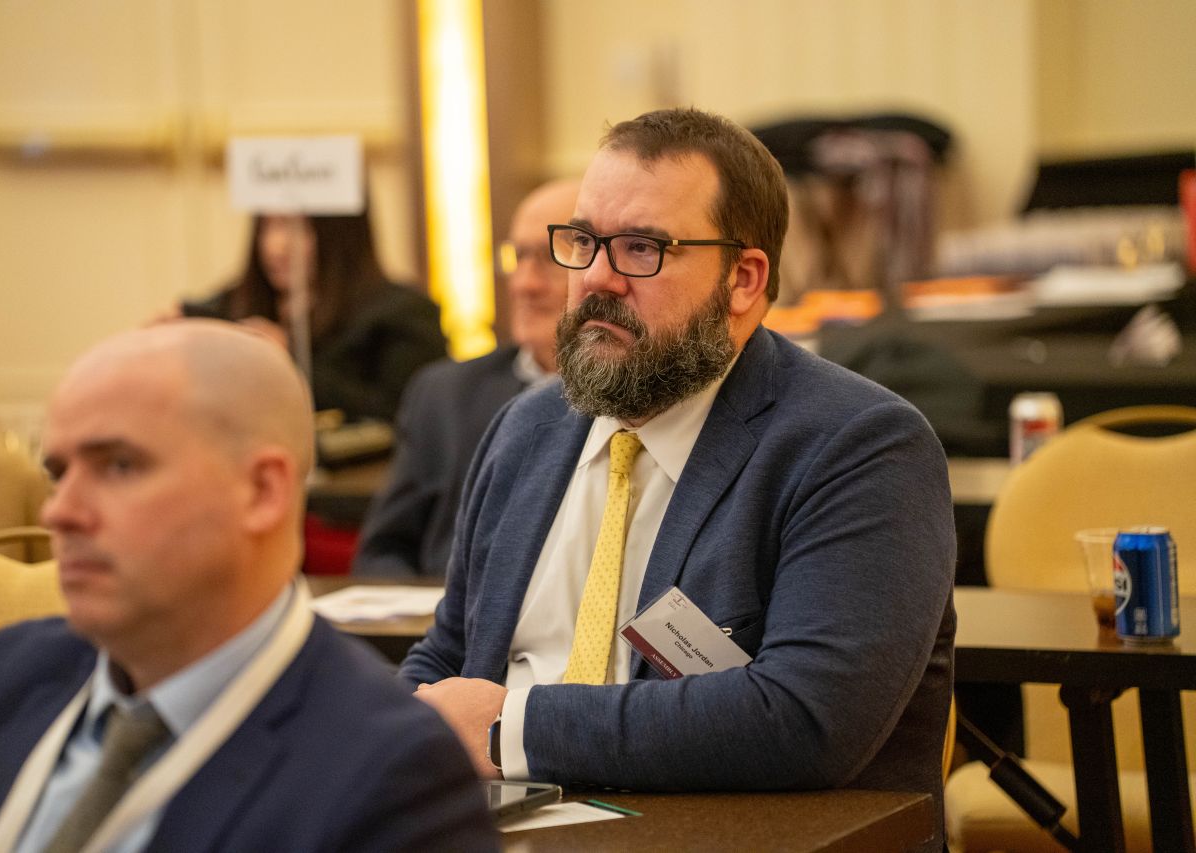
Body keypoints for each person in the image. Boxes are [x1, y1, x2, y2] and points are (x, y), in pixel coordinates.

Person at [402, 108, 955, 852]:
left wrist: (512, 726)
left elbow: (804, 719)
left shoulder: (857, 445)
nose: (596, 278)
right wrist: (394, 738)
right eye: (583, 241)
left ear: (743, 280)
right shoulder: (525, 430)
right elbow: (449, 655)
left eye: (641, 248)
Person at [0, 321, 496, 852]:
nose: (59, 512)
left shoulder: (387, 772)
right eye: (58, 474)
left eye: (119, 466)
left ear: (261, 492)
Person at [353, 178, 580, 578]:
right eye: (518, 257)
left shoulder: (635, 403)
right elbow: (382, 552)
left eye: (550, 258)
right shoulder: (445, 395)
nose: (524, 283)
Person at [183, 212, 447, 422]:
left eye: (298, 229)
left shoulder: (402, 314)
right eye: (267, 227)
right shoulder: (239, 302)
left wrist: (289, 358)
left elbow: (405, 415)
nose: (276, 246)